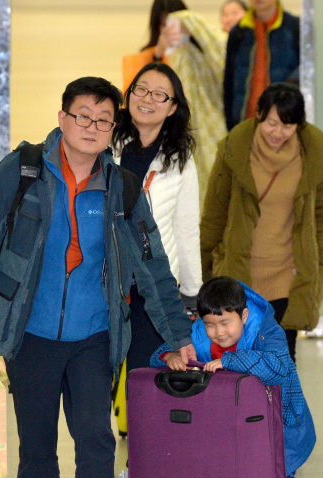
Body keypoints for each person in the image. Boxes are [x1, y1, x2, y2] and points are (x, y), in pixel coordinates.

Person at [0, 76, 196, 478]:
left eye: (103, 120)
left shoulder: (122, 188)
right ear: (63, 118)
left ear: (112, 129)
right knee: (36, 442)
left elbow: (153, 265)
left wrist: (178, 334)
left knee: (95, 438)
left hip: (93, 334)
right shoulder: (24, 170)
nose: (92, 127)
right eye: (83, 116)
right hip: (30, 333)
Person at [151, 276, 317, 478]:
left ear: (244, 315)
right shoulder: (198, 334)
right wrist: (172, 355)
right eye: (210, 324)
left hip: (284, 420)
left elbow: (278, 368)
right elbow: (155, 355)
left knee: (280, 473)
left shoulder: (266, 330)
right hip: (236, 424)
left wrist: (231, 361)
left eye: (226, 323)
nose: (218, 333)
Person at [200, 83, 323, 363]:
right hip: (242, 274)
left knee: (282, 364)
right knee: (239, 362)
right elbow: (215, 211)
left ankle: (279, 409)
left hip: (289, 275)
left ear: (299, 125)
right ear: (259, 115)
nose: (278, 133)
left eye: (287, 126)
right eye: (272, 123)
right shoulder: (234, 151)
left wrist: (320, 262)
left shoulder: (314, 157)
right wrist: (203, 266)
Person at [112, 62, 202, 372]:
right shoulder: (105, 142)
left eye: (160, 95)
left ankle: (128, 424)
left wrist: (191, 294)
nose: (147, 99)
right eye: (141, 89)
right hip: (104, 282)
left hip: (153, 287)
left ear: (173, 107)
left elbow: (186, 229)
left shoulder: (180, 159)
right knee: (96, 381)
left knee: (144, 379)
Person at [122, 0, 227, 211]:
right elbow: (131, 96)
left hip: (200, 137)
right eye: (163, 25)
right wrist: (159, 53)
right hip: (158, 143)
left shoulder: (200, 55)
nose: (170, 31)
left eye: (175, 23)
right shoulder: (145, 58)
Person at [224, 0, 299, 130]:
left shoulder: (295, 27)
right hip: (246, 124)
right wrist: (231, 127)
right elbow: (229, 83)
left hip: (285, 125)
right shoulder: (238, 32)